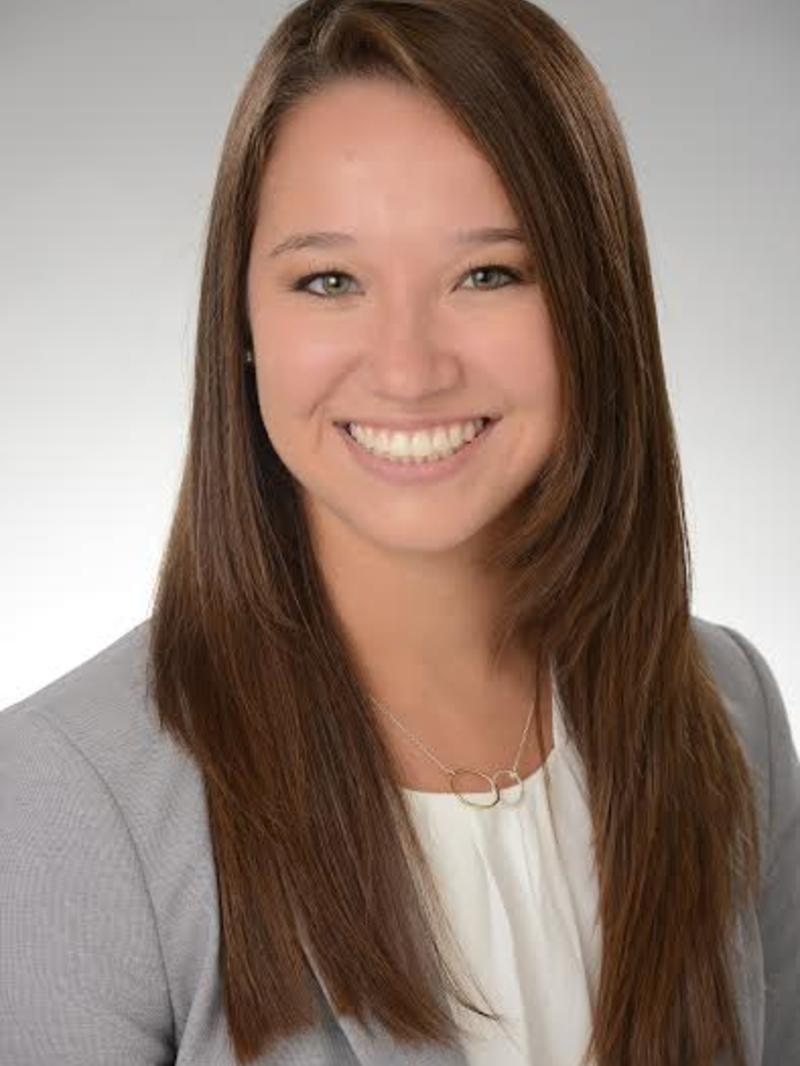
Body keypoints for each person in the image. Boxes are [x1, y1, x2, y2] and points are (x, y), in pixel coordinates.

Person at [1, 1, 797, 1064]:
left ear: (592, 306)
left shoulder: (726, 708)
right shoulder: (65, 806)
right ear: (239, 327)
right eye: (328, 281)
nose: (409, 368)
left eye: (488, 274)